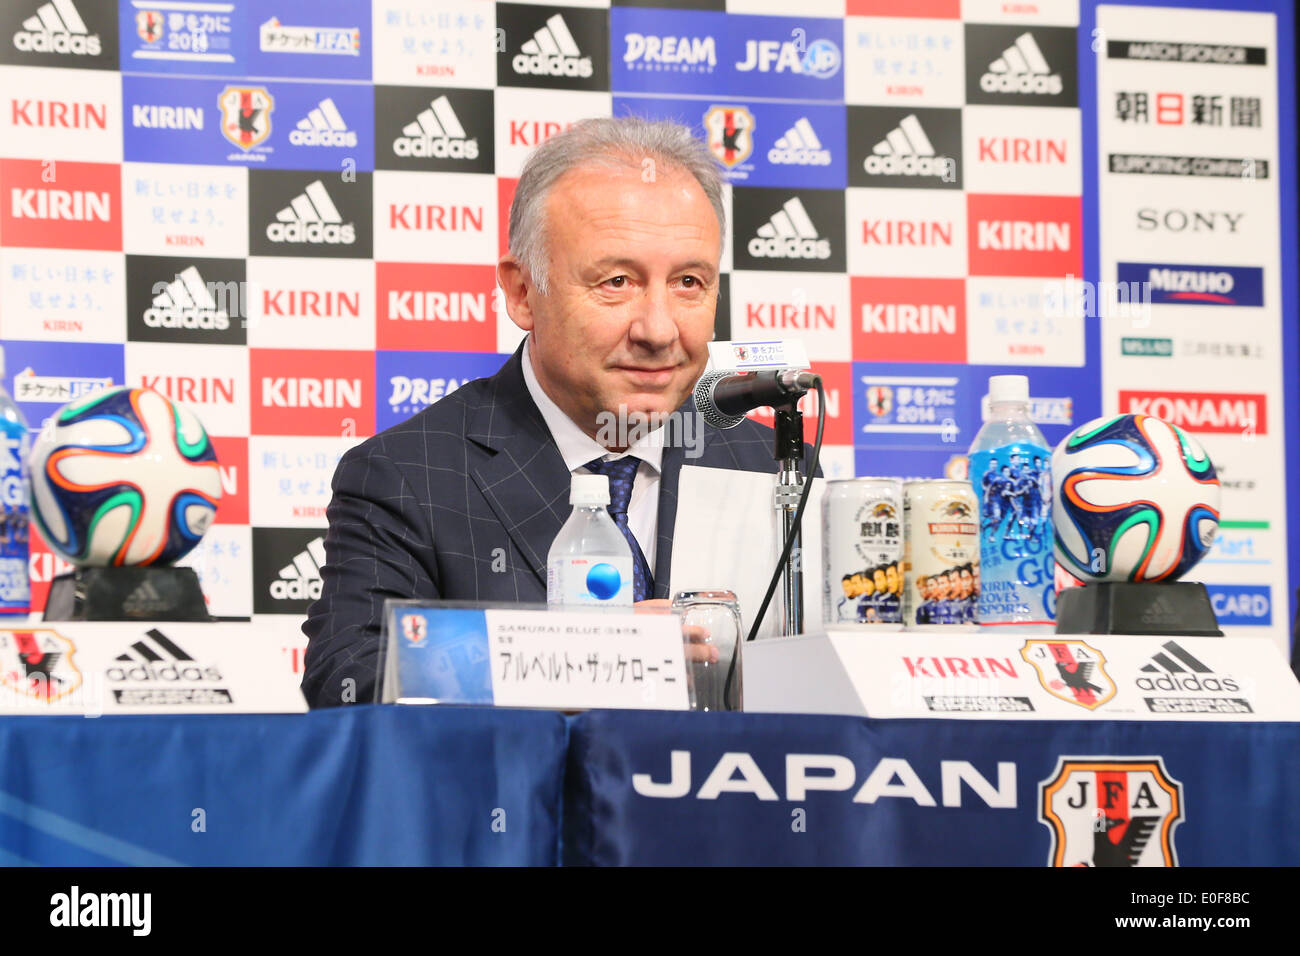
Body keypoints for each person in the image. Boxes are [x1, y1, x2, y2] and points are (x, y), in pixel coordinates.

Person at [301, 117, 813, 708]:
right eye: (616, 281)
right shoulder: (407, 474)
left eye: (689, 282)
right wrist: (594, 661)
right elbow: (352, 683)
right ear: (522, 293)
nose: (658, 328)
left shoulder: (773, 468)